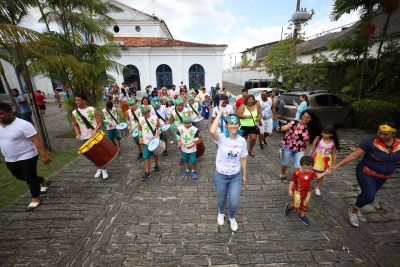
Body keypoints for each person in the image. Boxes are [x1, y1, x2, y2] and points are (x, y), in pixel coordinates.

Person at [328, 122, 400, 227]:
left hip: (383, 177)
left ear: (393, 134)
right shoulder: (370, 142)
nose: (381, 136)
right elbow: (354, 155)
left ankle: (357, 206)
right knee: (370, 196)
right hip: (366, 172)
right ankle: (353, 210)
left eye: (385, 134)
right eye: (380, 133)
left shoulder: (398, 145)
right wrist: (337, 165)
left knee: (366, 194)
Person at [0, 103, 51, 211]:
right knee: (19, 176)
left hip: (27, 155)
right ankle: (42, 180)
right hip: (10, 158)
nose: (0, 117)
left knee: (29, 177)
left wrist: (43, 156)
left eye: (1, 114)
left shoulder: (23, 124)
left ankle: (35, 198)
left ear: (10, 112)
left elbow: (36, 140)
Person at [210, 102, 248, 232]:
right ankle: (221, 213)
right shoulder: (221, 138)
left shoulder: (242, 141)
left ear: (239, 125)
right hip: (221, 175)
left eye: (236, 123)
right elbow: (211, 131)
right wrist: (220, 113)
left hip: (235, 176)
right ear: (226, 125)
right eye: (230, 123)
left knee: (234, 201)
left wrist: (244, 174)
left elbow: (243, 158)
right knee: (221, 199)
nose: (234, 125)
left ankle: (232, 217)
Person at [71, 94, 109, 179]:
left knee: (99, 153)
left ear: (84, 100)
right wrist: (77, 134)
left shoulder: (92, 109)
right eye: (76, 100)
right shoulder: (74, 113)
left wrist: (95, 130)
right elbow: (76, 125)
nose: (77, 102)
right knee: (92, 155)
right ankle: (99, 168)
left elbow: (99, 122)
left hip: (95, 136)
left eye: (79, 100)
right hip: (84, 137)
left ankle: (104, 169)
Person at [276, 109, 321, 180]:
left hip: (300, 149)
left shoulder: (311, 127)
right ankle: (282, 173)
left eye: (307, 118)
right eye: (303, 116)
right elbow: (285, 127)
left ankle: (296, 178)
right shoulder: (295, 122)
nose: (304, 118)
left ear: (311, 119)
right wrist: (280, 127)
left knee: (298, 165)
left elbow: (317, 136)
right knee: (285, 162)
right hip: (288, 146)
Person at [284, 156, 326, 226]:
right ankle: (289, 206)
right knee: (296, 205)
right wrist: (290, 189)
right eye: (305, 168)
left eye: (309, 168)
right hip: (297, 192)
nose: (307, 170)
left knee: (305, 204)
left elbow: (317, 176)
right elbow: (292, 181)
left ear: (312, 167)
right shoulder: (297, 172)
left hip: (307, 192)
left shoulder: (311, 172)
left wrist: (325, 172)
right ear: (301, 166)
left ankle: (302, 216)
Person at [308, 125, 339, 196]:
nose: (324, 134)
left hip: (325, 161)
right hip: (316, 159)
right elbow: (312, 148)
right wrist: (309, 157)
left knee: (321, 175)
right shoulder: (318, 139)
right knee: (310, 172)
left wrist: (334, 164)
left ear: (331, 134)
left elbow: (334, 153)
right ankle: (307, 185)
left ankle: (317, 187)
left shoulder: (333, 142)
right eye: (323, 132)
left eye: (326, 133)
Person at [137, 105, 161, 181]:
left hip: (154, 140)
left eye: (146, 113)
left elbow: (159, 127)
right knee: (146, 156)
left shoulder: (155, 118)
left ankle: (156, 165)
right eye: (143, 113)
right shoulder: (140, 119)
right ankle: (147, 172)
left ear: (149, 112)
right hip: (146, 141)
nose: (144, 115)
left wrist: (159, 131)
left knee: (155, 154)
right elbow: (140, 129)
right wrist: (140, 137)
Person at [177, 114, 200, 179]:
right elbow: (177, 135)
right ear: (183, 123)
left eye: (189, 123)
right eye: (185, 123)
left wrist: (195, 140)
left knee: (192, 160)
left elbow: (197, 136)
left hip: (192, 148)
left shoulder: (195, 129)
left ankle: (193, 170)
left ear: (191, 122)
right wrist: (178, 141)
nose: (187, 125)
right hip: (184, 147)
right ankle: (187, 169)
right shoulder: (180, 128)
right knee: (185, 159)